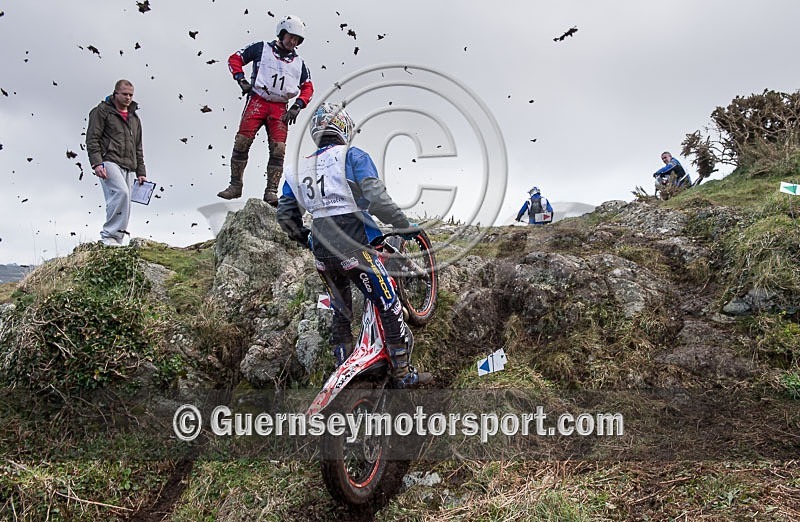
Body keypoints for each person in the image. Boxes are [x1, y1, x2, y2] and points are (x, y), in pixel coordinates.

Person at [276, 103, 432, 389]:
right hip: (355, 245)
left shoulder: (297, 169)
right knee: (389, 303)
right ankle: (402, 374)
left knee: (341, 311)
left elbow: (285, 214)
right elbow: (376, 198)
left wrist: (306, 238)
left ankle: (343, 369)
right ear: (344, 127)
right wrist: (403, 224)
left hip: (323, 251)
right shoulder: (353, 156)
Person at [217, 14, 314, 206]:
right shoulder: (261, 48)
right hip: (258, 100)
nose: (292, 42)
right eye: (290, 37)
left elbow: (308, 87)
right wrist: (241, 79)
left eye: (296, 40)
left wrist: (298, 106)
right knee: (243, 141)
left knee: (278, 149)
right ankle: (235, 185)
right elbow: (235, 58)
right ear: (282, 33)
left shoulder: (300, 63)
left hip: (280, 107)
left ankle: (271, 191)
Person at [85, 79, 147, 246]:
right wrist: (96, 163)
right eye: (125, 94)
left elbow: (138, 146)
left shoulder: (135, 118)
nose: (128, 98)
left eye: (131, 95)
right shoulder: (101, 112)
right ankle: (109, 235)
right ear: (115, 93)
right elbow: (92, 139)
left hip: (129, 165)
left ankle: (116, 239)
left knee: (125, 200)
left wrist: (141, 172)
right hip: (108, 160)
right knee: (121, 193)